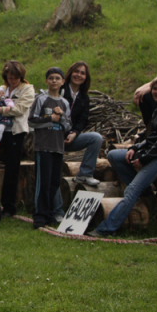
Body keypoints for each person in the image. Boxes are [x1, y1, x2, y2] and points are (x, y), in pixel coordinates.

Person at [89, 75, 157, 237]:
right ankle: (145, 192)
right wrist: (135, 147)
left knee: (132, 189)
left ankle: (106, 228)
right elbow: (151, 136)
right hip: (154, 152)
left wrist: (143, 158)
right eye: (155, 89)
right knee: (114, 155)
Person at [0, 60, 35, 217]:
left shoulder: (27, 89)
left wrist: (0, 109)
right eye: (10, 77)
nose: (12, 80)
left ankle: (9, 206)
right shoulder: (2, 89)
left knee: (12, 168)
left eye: (15, 77)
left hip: (15, 131)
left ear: (21, 76)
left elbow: (19, 109)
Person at [53, 61, 104, 221]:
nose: (79, 75)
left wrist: (75, 133)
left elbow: (83, 120)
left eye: (82, 73)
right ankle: (57, 211)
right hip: (53, 138)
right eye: (76, 71)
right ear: (70, 73)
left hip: (70, 138)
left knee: (95, 138)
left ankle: (85, 174)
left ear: (86, 77)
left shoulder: (84, 97)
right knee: (55, 174)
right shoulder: (60, 90)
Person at [28, 67, 71, 229]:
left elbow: (68, 125)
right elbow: (31, 121)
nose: (54, 81)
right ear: (47, 81)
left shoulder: (65, 103)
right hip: (43, 146)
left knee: (54, 183)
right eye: (51, 78)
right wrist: (50, 118)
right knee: (43, 183)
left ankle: (51, 214)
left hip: (58, 147)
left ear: (63, 82)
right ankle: (40, 216)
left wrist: (61, 117)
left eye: (57, 78)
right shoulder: (41, 99)